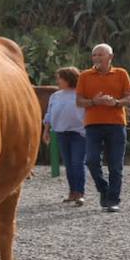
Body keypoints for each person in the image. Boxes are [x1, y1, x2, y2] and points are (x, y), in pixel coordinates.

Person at [77, 43, 130, 213]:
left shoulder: (121, 73)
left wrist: (116, 102)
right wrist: (94, 101)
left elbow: (129, 98)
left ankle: (113, 200)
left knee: (115, 164)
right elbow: (79, 102)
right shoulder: (84, 76)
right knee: (91, 160)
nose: (96, 58)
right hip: (93, 125)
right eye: (94, 55)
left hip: (116, 124)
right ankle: (104, 189)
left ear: (110, 57)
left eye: (100, 55)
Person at [42, 67, 86, 206]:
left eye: (60, 78)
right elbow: (49, 114)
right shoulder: (55, 96)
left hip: (79, 134)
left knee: (77, 163)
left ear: (68, 79)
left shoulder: (82, 94)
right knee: (68, 164)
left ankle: (80, 193)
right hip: (61, 133)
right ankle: (72, 192)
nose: (58, 81)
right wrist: (46, 130)